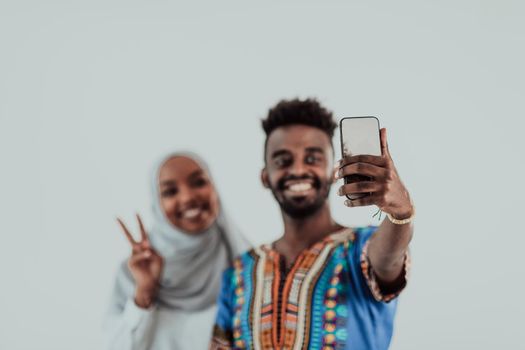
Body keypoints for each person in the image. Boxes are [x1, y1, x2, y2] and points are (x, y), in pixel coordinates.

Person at [210, 99, 414, 350]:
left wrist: (401, 212)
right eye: (283, 160)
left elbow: (388, 260)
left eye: (312, 159)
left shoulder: (360, 247)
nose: (298, 169)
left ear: (332, 171)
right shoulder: (240, 271)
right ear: (266, 176)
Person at [104, 152, 250, 350]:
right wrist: (145, 292)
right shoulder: (135, 272)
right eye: (170, 192)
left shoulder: (246, 264)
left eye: (198, 182)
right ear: (157, 203)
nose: (188, 197)